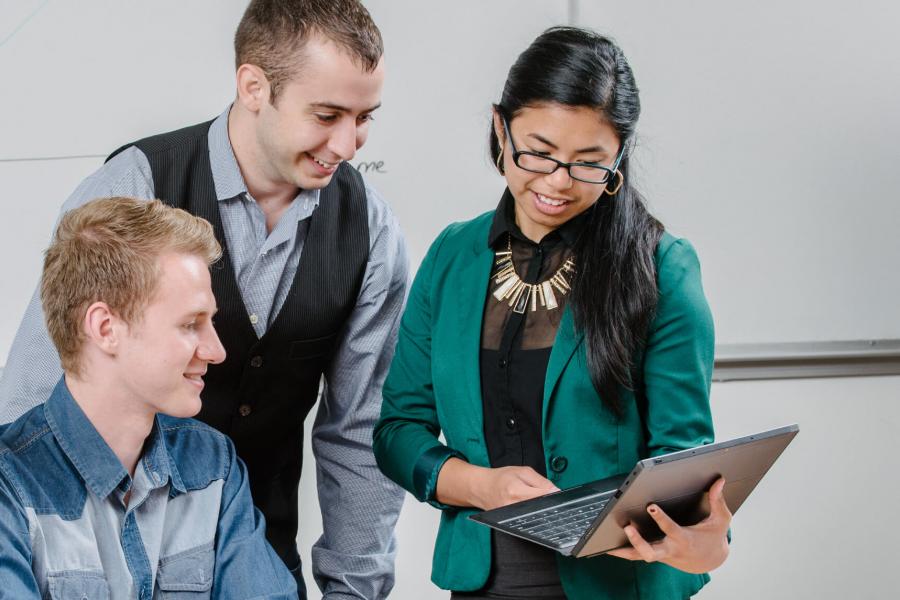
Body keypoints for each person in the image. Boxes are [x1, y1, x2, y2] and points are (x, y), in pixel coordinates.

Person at [0, 1, 407, 598]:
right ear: (253, 86)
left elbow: (357, 430)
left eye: (364, 117)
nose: (347, 143)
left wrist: (352, 592)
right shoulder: (133, 185)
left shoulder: (370, 229)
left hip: (252, 549)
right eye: (326, 114)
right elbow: (40, 393)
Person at [374, 27, 731, 600]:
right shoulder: (451, 257)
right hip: (485, 581)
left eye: (589, 163)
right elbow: (398, 431)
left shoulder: (662, 267)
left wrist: (701, 532)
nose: (558, 183)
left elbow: (682, 456)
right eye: (537, 153)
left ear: (619, 155)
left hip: (617, 583)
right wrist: (478, 485)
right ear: (500, 127)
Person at [0, 197, 297, 599]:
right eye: (191, 324)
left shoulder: (213, 465)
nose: (217, 351)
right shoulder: (10, 488)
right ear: (106, 328)